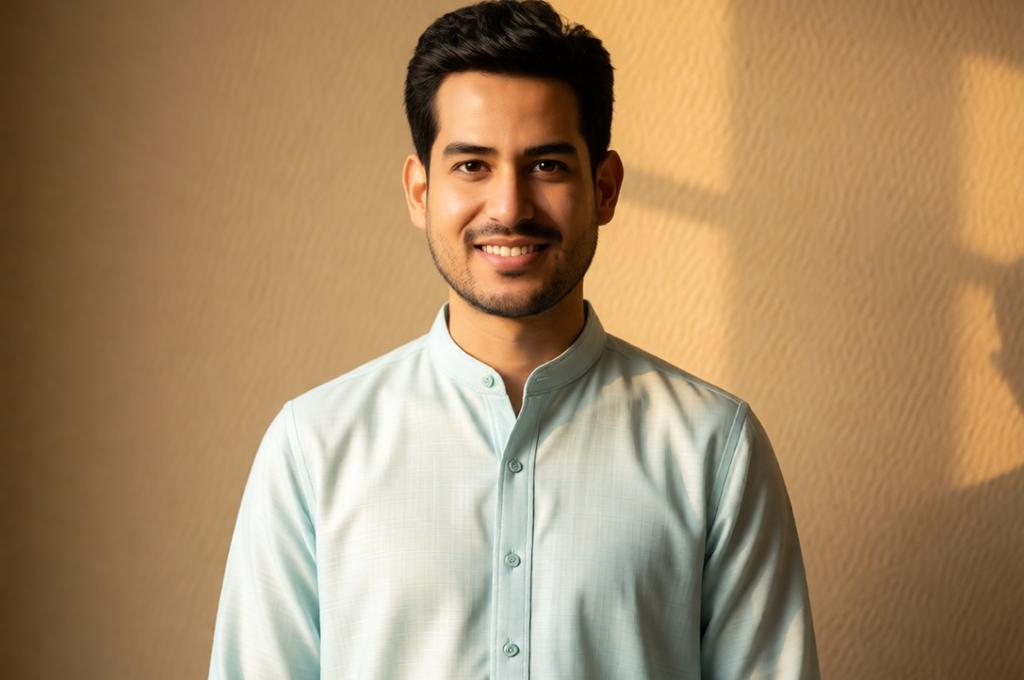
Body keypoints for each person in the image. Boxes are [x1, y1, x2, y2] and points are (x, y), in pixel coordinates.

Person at [207, 1, 820, 678]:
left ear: (605, 188)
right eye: (472, 166)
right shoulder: (313, 448)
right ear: (419, 191)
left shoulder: (714, 448)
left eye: (547, 166)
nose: (508, 207)